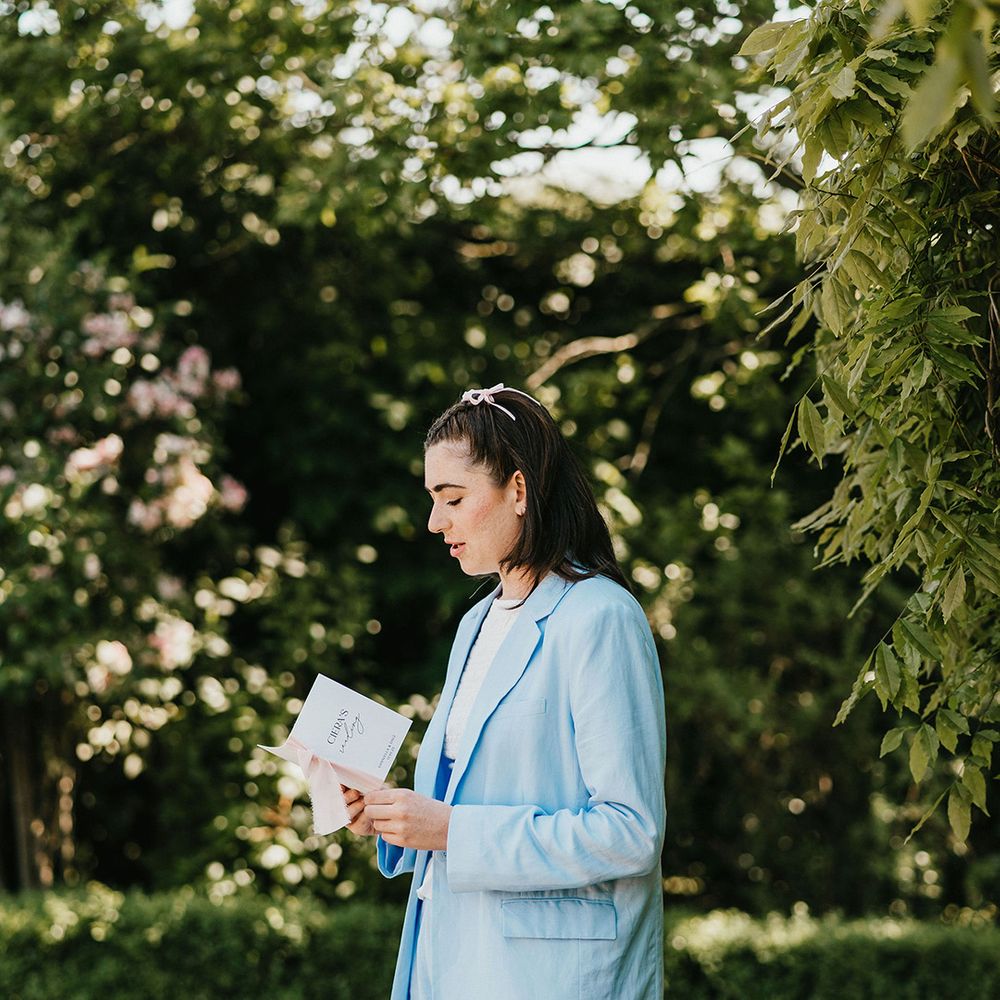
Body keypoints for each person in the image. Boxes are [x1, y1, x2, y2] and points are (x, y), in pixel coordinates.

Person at [342, 383, 666, 1000]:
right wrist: (394, 818)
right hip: (450, 955)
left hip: (555, 979)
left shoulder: (601, 616)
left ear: (518, 490)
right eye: (433, 500)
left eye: (454, 498)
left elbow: (630, 832)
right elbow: (467, 802)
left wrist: (451, 830)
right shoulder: (476, 623)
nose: (435, 522)